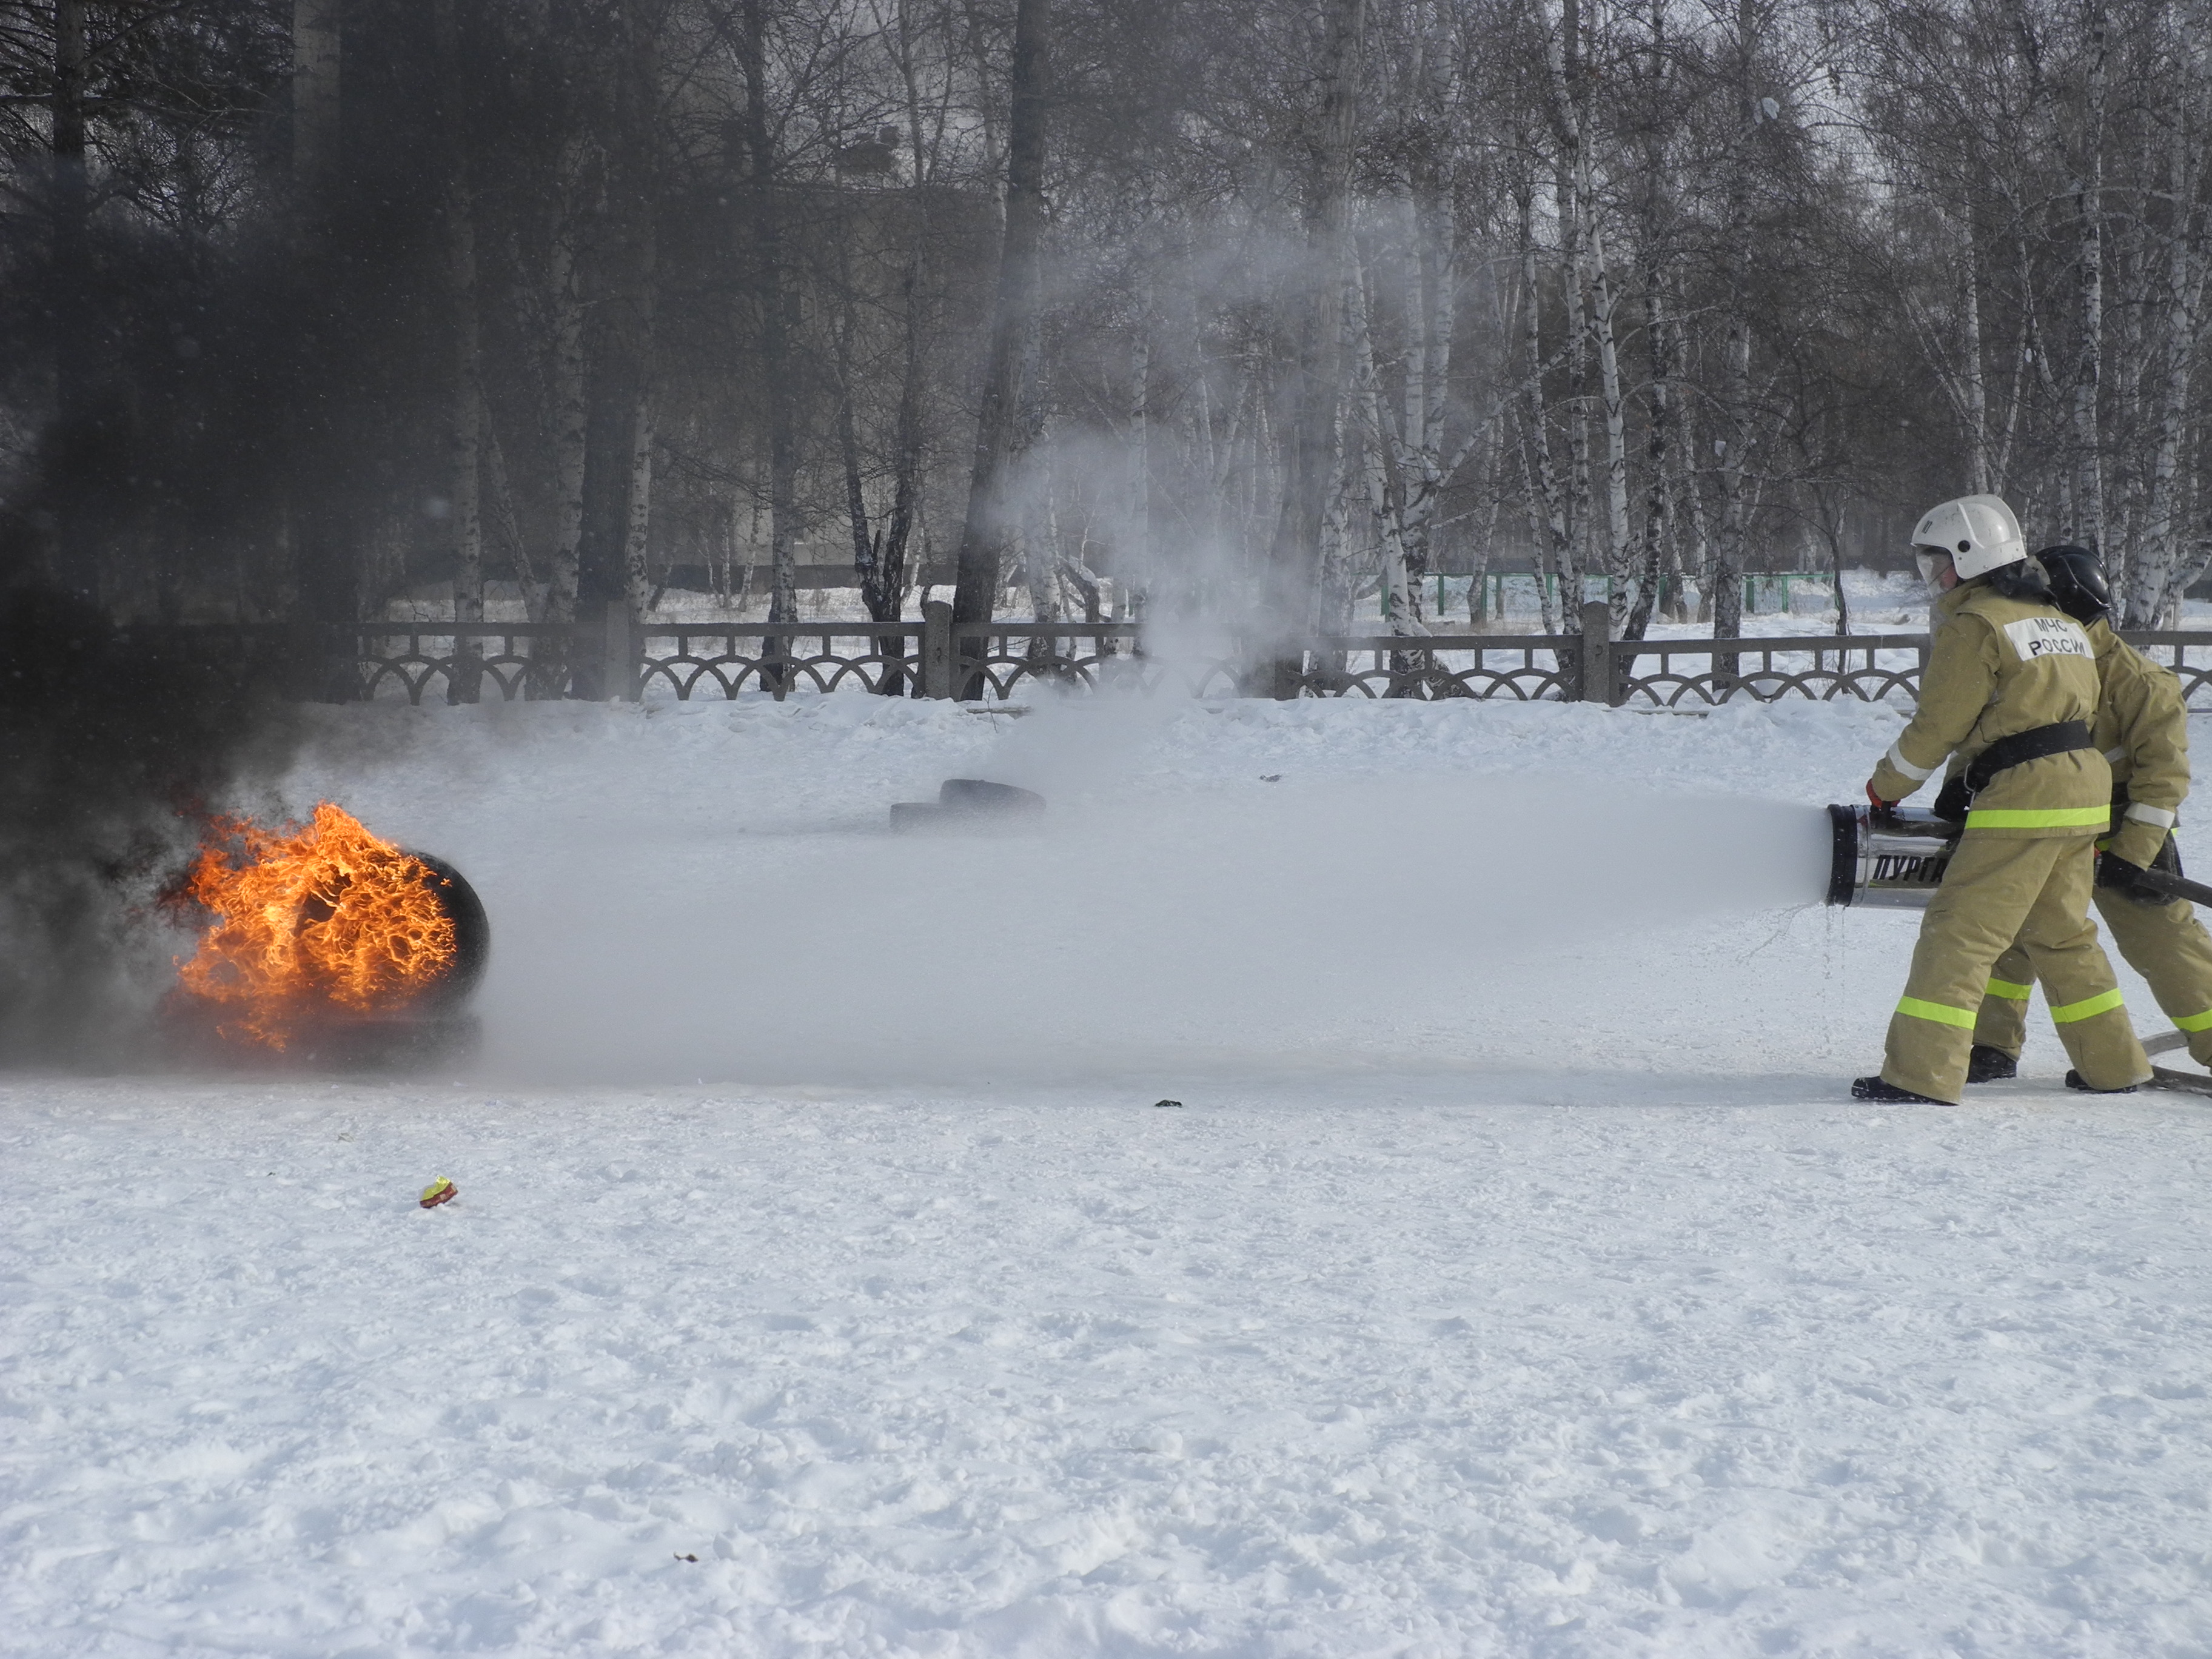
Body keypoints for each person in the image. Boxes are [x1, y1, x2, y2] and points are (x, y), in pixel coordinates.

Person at [1853, 495, 2150, 1105]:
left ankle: (1921, 1076)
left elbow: (1939, 725)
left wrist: (1886, 787)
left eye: (1938, 561)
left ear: (1970, 556)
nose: (1933, 575)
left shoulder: (1977, 626)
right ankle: (2114, 1065)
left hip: (2025, 798)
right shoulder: (2062, 623)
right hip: (2082, 791)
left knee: (1958, 933)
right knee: (2062, 936)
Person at [1963, 546, 2212, 1080]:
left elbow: (2163, 781)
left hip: (2123, 831)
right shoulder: (2033, 663)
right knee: (2012, 932)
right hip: (2041, 816)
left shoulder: (2141, 681)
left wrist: (2132, 854)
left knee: (2165, 944)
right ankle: (1992, 1045)